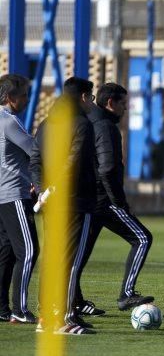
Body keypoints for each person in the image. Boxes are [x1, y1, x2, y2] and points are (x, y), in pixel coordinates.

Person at [76, 83, 154, 312]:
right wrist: (119, 202)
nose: (126, 108)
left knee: (81, 252)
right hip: (105, 200)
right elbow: (108, 168)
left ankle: (74, 301)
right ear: (110, 103)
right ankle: (126, 294)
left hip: (88, 199)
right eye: (123, 103)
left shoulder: (88, 122)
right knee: (142, 238)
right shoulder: (106, 127)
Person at [31, 76, 98, 334]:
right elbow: (75, 160)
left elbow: (35, 161)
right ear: (82, 97)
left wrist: (41, 190)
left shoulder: (47, 124)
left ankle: (45, 317)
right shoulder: (82, 123)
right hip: (76, 202)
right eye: (90, 97)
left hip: (51, 203)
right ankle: (62, 318)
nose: (92, 102)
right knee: (70, 261)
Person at [0, 74, 39, 324]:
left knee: (7, 251)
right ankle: (20, 309)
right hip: (14, 193)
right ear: (10, 97)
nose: (26, 99)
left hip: (2, 196)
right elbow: (35, 150)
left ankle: (2, 307)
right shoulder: (10, 122)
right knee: (28, 251)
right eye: (24, 94)